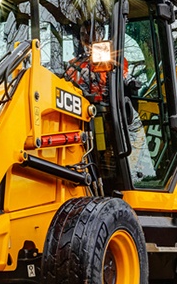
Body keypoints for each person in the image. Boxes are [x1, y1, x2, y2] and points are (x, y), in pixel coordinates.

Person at [64, 22, 156, 183]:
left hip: (109, 108)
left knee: (133, 124)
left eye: (92, 33)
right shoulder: (74, 64)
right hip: (83, 111)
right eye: (84, 34)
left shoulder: (112, 59)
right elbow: (67, 83)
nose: (88, 38)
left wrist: (130, 83)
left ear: (101, 35)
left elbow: (123, 76)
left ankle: (136, 173)